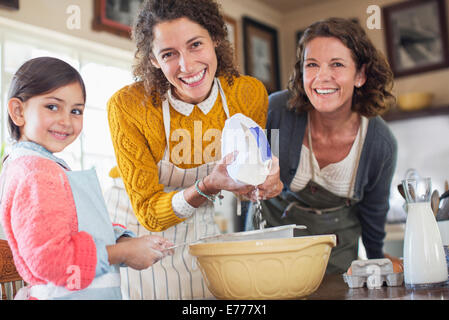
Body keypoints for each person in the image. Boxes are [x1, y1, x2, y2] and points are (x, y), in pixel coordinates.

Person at [107, 0, 283, 299]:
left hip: (200, 228)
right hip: (138, 237)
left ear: (215, 37)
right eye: (168, 54)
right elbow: (149, 212)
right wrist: (208, 186)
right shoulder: (128, 106)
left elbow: (247, 173)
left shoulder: (247, 94)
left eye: (195, 45)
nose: (186, 66)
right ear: (152, 59)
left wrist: (265, 181)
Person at [0, 57, 174, 300]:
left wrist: (122, 239)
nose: (66, 121)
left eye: (76, 111)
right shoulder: (36, 172)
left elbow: (77, 226)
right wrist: (122, 253)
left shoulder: (43, 165)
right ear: (18, 111)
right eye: (52, 106)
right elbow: (51, 261)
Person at [250, 17, 398, 274]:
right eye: (312, 65)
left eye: (337, 64)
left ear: (360, 75)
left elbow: (374, 214)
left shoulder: (380, 144)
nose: (322, 77)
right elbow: (244, 173)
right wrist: (249, 180)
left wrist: (377, 264)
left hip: (335, 259)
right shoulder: (276, 112)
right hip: (266, 252)